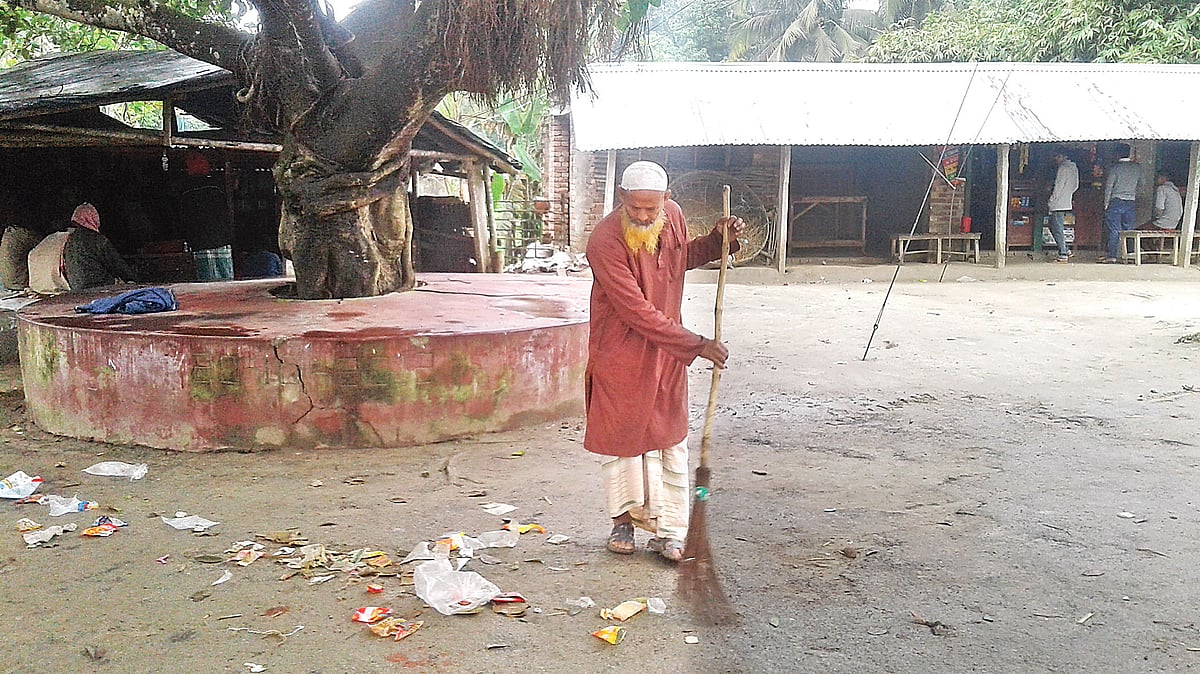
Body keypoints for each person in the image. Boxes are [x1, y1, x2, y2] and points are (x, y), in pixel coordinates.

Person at [584, 160, 744, 562]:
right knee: (623, 439)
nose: (642, 216)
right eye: (635, 208)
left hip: (665, 351)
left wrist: (716, 241)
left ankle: (670, 531)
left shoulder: (672, 217)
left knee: (669, 438)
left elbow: (678, 259)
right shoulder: (604, 241)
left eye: (650, 209)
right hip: (619, 352)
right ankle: (623, 520)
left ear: (666, 201)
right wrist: (695, 344)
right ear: (622, 199)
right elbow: (634, 310)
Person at [27, 203, 135, 294]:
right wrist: (133, 280)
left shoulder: (58, 238)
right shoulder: (95, 239)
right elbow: (118, 265)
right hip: (95, 288)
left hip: (47, 287)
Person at [178, 153, 235, 281]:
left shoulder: (187, 192)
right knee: (226, 280)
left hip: (200, 243)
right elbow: (225, 215)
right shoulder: (216, 188)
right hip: (220, 241)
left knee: (206, 280)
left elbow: (185, 220)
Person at [1101, 144, 1142, 263]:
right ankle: (1130, 255)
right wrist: (1133, 193)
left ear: (1117, 154)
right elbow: (1142, 184)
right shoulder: (1137, 168)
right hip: (1130, 201)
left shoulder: (1115, 168)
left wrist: (1106, 203)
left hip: (1116, 201)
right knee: (1128, 229)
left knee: (1115, 230)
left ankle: (1112, 256)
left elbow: (1109, 187)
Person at [1046, 151, 1079, 263]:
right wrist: (1068, 194)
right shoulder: (1074, 168)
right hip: (1067, 200)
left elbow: (1058, 187)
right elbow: (1075, 185)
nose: (1056, 159)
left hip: (1058, 203)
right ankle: (1066, 249)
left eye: (1058, 156)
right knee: (1053, 225)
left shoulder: (1062, 168)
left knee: (1057, 228)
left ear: (1064, 156)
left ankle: (1063, 254)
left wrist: (1052, 199)